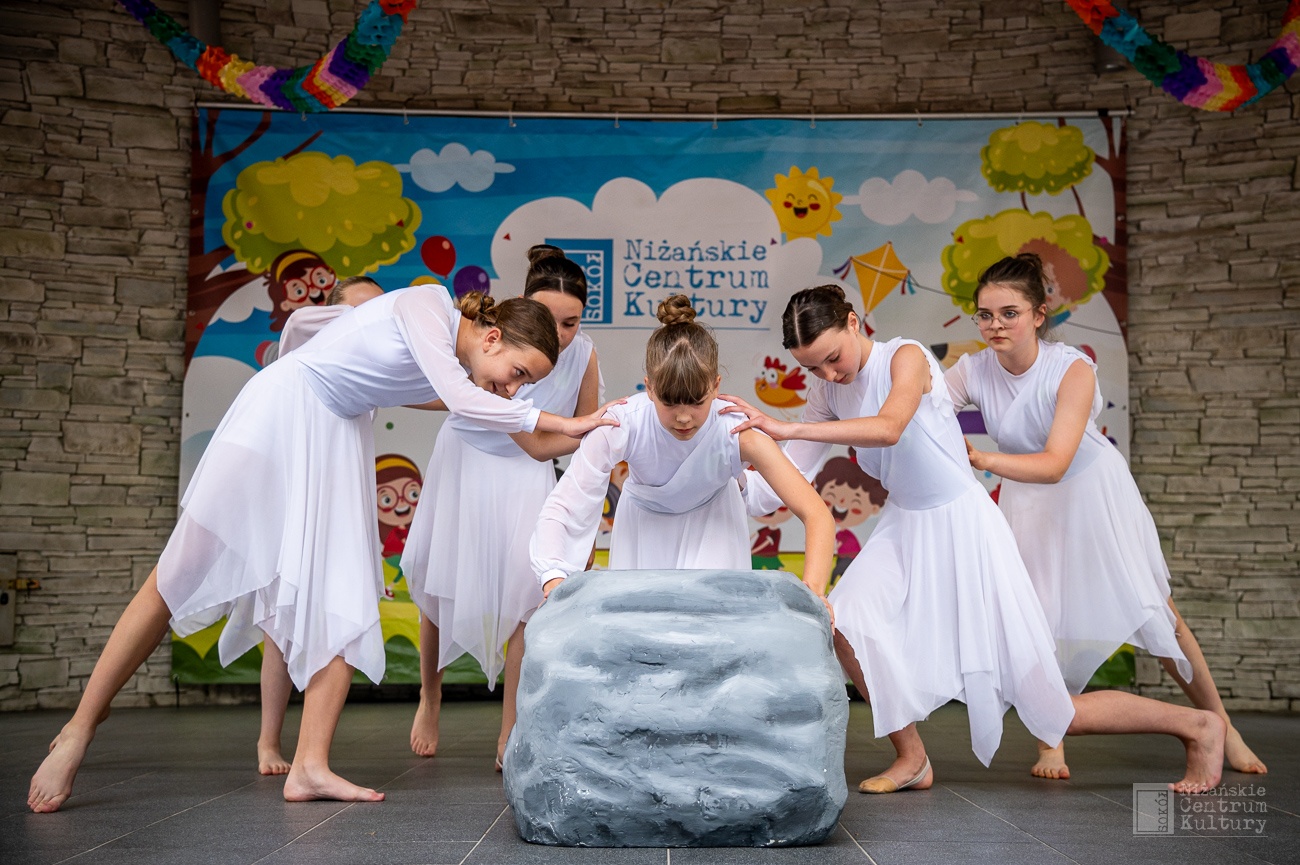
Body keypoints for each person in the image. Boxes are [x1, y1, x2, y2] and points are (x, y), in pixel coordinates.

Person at [27, 286, 617, 813]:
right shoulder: (427, 305)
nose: (512, 388)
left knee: (344, 591)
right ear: (491, 337)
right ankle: (80, 727)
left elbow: (483, 411)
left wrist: (596, 430)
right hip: (286, 410)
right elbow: (463, 399)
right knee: (179, 570)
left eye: (523, 385)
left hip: (337, 429)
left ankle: (309, 765)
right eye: (516, 373)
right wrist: (569, 421)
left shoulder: (461, 375)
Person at [724, 285, 1226, 795]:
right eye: (813, 368)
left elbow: (890, 426)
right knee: (845, 622)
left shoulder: (906, 356)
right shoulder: (827, 393)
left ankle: (1198, 725)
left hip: (966, 528)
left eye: (832, 358)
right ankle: (912, 758)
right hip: (905, 525)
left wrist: (787, 430)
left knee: (1053, 712)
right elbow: (786, 477)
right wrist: (729, 475)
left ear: (853, 323)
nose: (829, 375)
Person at [946, 253, 1267, 779]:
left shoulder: (1070, 368)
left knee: (1156, 612)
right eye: (985, 315)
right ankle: (1052, 744)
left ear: (1039, 315)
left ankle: (1224, 726)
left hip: (1089, 491)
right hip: (1027, 498)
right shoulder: (973, 369)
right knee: (1035, 616)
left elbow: (1055, 462)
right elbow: (919, 409)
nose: (995, 325)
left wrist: (981, 459)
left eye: (1009, 313)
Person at [402, 245, 605, 767]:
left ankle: (509, 729)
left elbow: (581, 436)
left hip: (528, 472)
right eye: (549, 318)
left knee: (526, 597)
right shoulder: (493, 336)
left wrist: (582, 516)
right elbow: (444, 391)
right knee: (439, 582)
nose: (559, 333)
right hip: (464, 459)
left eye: (571, 322)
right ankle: (430, 696)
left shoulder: (583, 354)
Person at [530, 294, 836, 625]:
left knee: (713, 630)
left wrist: (814, 595)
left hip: (715, 525)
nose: (684, 417)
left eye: (696, 402)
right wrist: (553, 576)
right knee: (640, 631)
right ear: (649, 388)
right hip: (643, 530)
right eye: (670, 403)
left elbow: (816, 513)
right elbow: (564, 506)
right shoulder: (622, 423)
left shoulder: (736, 431)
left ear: (715, 386)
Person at [257, 275, 387, 777]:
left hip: (342, 502)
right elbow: (297, 326)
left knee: (340, 611)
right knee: (280, 620)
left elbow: (436, 391)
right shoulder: (306, 347)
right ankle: (269, 741)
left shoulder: (377, 371)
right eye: (357, 312)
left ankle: (312, 754)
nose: (370, 322)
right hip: (296, 498)